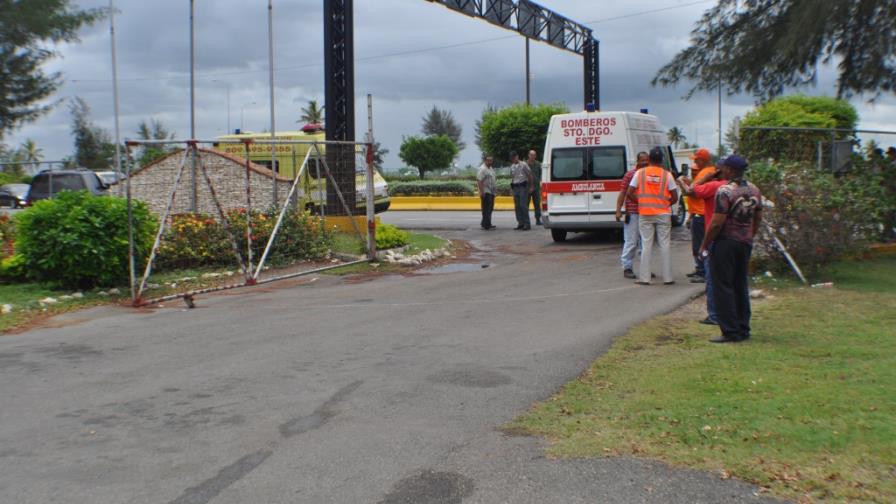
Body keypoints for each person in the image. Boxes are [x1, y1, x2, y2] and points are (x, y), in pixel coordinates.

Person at [699, 155, 762, 343]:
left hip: (725, 243)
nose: (722, 170)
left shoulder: (724, 191)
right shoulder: (754, 190)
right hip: (744, 243)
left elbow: (717, 222)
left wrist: (705, 244)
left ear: (730, 171)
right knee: (739, 284)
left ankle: (730, 331)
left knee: (723, 286)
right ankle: (743, 327)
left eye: (725, 168)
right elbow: (758, 217)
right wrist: (750, 235)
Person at [678, 161, 728, 325]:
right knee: (728, 279)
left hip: (713, 236)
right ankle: (728, 313)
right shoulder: (737, 187)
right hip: (732, 237)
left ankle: (714, 315)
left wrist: (704, 179)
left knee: (712, 278)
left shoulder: (714, 186)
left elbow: (690, 191)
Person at [625, 147, 679, 285]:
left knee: (646, 244)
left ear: (649, 159)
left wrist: (641, 202)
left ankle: (644, 278)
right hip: (663, 213)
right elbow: (675, 196)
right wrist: (665, 204)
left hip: (645, 213)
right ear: (661, 159)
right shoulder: (667, 175)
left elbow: (630, 192)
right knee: (665, 245)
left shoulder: (640, 173)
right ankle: (668, 278)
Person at [616, 151, 649, 279]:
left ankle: (644, 268)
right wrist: (618, 210)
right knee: (631, 242)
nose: (645, 163)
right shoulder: (630, 175)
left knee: (645, 243)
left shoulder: (649, 174)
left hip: (647, 213)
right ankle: (627, 267)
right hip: (633, 213)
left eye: (647, 161)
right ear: (637, 161)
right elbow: (623, 193)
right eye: (643, 161)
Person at [684, 148, 714, 282]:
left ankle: (702, 271)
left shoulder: (705, 173)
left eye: (696, 160)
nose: (695, 162)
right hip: (700, 213)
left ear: (702, 160)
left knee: (700, 244)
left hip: (701, 214)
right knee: (700, 244)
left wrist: (682, 183)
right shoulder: (707, 172)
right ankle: (700, 268)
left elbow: (692, 192)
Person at [509, 151, 533, 230]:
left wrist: (531, 186)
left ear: (517, 156)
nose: (513, 159)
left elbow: (529, 175)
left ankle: (527, 224)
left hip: (523, 187)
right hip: (515, 187)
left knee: (523, 206)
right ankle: (520, 223)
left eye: (514, 157)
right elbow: (512, 178)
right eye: (512, 158)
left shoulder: (523, 165)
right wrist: (511, 189)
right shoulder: (512, 167)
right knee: (517, 206)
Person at [476, 156, 497, 230]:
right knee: (486, 208)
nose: (490, 162)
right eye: (488, 160)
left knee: (490, 208)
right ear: (485, 161)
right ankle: (486, 224)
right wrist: (482, 192)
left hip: (491, 191)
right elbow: (479, 181)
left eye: (491, 160)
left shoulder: (490, 169)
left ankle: (486, 223)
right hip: (486, 191)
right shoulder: (482, 169)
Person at [526, 150, 543, 225]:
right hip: (527, 188)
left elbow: (540, 174)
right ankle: (526, 220)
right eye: (531, 155)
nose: (533, 156)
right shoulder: (525, 164)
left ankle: (538, 219)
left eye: (534, 155)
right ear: (528, 155)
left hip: (536, 187)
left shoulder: (538, 164)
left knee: (537, 204)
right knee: (526, 204)